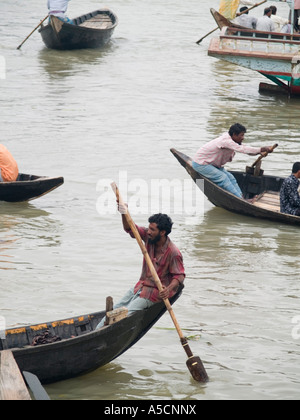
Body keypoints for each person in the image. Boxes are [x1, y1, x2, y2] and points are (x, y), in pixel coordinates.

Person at [96, 212, 185, 329]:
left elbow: (179, 276)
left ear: (162, 232)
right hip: (141, 286)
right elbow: (130, 228)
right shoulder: (149, 238)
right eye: (149, 228)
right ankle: (96, 330)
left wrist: (168, 289)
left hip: (153, 293)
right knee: (115, 309)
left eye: (152, 230)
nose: (148, 231)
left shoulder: (173, 252)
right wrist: (123, 213)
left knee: (125, 314)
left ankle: (102, 331)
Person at [192, 123, 274, 198]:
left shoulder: (233, 141)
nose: (243, 138)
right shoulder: (226, 141)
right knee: (223, 177)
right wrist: (262, 149)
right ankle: (240, 199)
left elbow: (246, 150)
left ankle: (241, 197)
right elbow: (243, 149)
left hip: (212, 164)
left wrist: (259, 152)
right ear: (234, 134)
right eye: (241, 135)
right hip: (201, 164)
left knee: (231, 177)